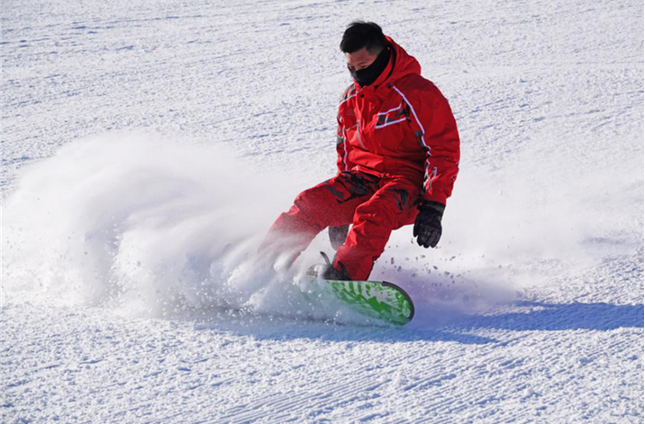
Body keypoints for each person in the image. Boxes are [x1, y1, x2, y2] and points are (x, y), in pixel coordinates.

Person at [260, 21, 460, 281]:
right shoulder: (351, 99)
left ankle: (343, 280)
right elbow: (346, 152)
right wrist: (338, 213)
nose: (357, 74)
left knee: (372, 215)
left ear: (383, 56)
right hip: (362, 178)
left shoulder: (418, 93)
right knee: (310, 203)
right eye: (351, 68)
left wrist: (434, 207)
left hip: (408, 184)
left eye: (364, 67)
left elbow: (443, 151)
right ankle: (262, 268)